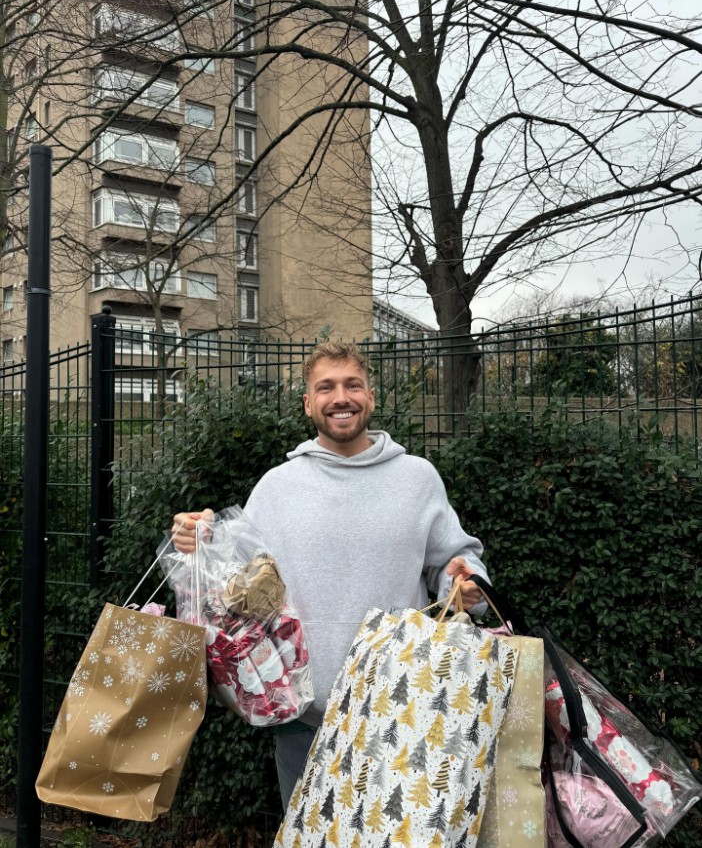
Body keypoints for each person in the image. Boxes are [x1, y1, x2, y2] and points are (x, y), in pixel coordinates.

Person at [171, 340, 490, 808]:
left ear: (371, 396)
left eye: (352, 385)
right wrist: (199, 539)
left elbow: (454, 559)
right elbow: (235, 585)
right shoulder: (276, 487)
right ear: (308, 403)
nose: (341, 397)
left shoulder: (418, 477)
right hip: (303, 722)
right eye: (326, 387)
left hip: (400, 714)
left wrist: (466, 583)